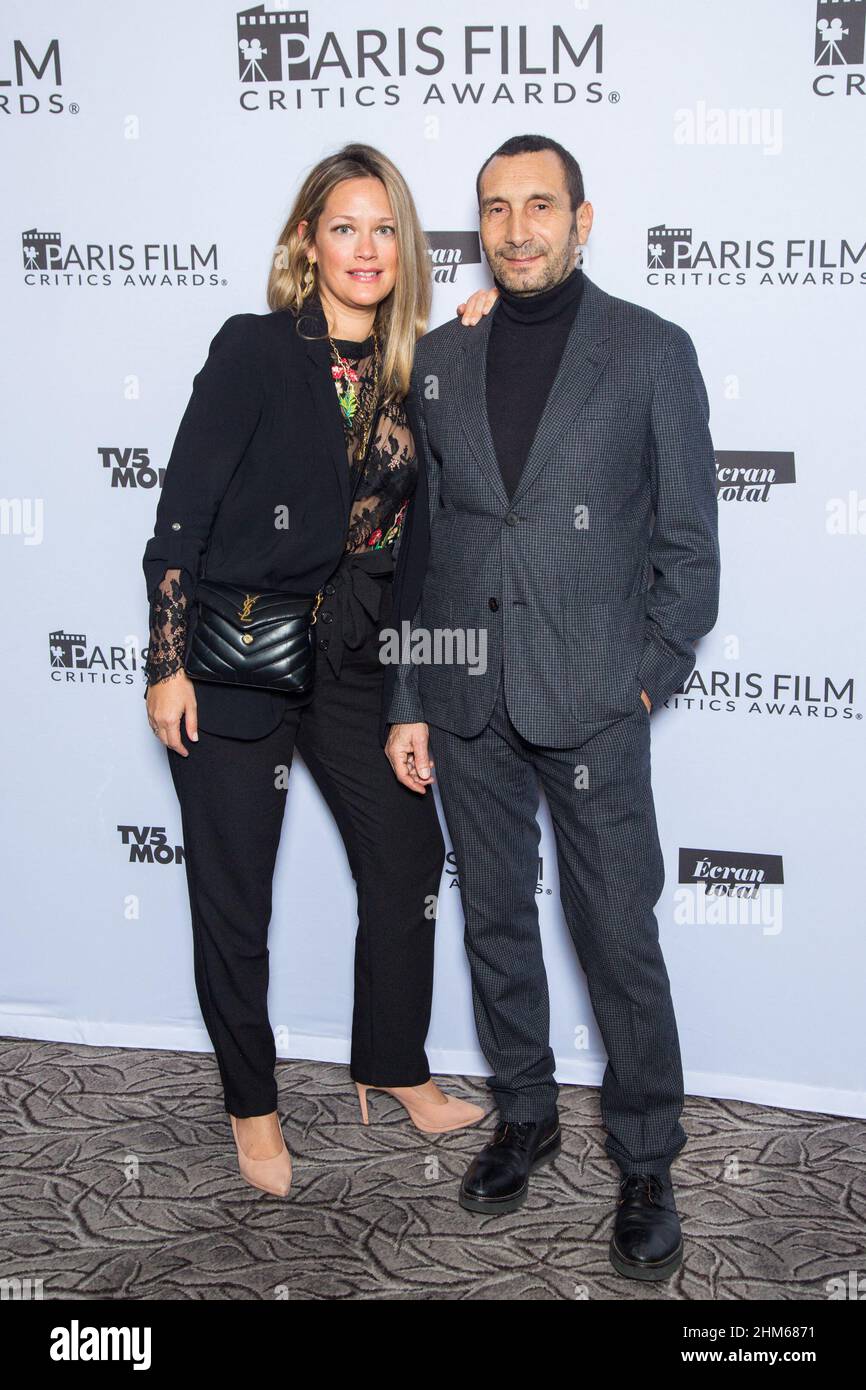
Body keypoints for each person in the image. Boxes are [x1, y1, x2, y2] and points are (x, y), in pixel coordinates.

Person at [383, 133, 721, 1280]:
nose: (515, 228)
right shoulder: (436, 358)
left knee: (617, 936)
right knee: (493, 924)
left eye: (539, 206)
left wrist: (642, 680)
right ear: (475, 223)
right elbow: (421, 546)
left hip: (591, 703)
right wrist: (411, 692)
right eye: (494, 207)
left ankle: (644, 1156)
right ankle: (522, 1113)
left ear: (583, 218)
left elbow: (687, 548)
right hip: (467, 693)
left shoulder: (649, 352)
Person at [142, 143, 495, 1198]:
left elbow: (427, 544)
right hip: (237, 658)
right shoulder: (253, 349)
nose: (365, 248)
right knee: (232, 896)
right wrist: (166, 664)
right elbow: (181, 517)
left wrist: (486, 328)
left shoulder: (423, 368)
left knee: (402, 860)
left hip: (356, 662)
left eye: (384, 228)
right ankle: (252, 1109)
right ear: (307, 240)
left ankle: (392, 1066)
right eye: (344, 226)